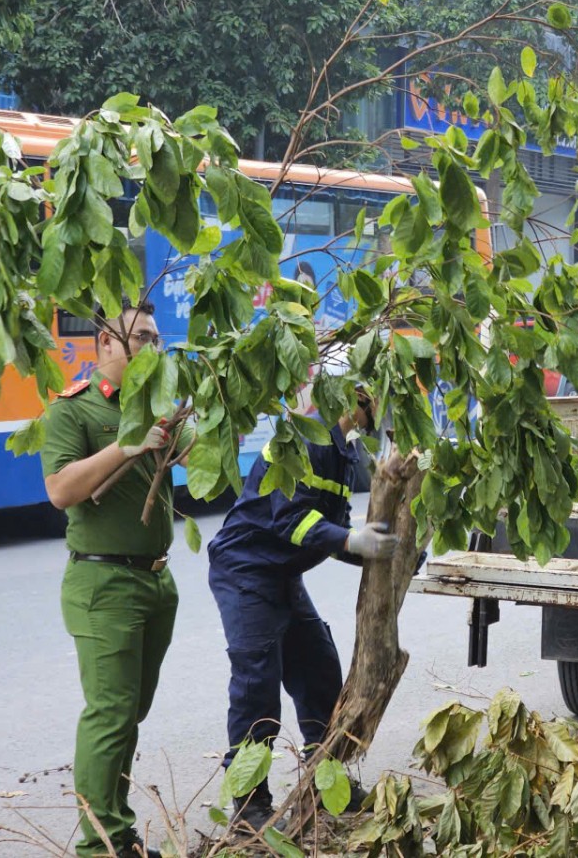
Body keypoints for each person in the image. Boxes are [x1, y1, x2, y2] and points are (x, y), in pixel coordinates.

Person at [207, 387, 398, 833]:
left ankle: (326, 785)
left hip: (282, 574)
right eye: (380, 397)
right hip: (247, 571)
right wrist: (352, 541)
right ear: (358, 397)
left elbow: (327, 528)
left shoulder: (340, 449)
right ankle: (249, 804)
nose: (384, 409)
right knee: (257, 686)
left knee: (319, 671)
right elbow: (291, 520)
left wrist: (387, 550)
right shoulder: (305, 440)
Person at [41, 299, 193, 858]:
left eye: (156, 338)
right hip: (103, 586)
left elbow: (190, 458)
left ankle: (116, 829)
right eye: (141, 339)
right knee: (110, 714)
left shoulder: (153, 403)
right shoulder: (74, 411)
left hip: (156, 582)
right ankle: (103, 845)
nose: (153, 347)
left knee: (131, 713)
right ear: (105, 345)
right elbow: (60, 490)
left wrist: (181, 426)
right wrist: (127, 443)